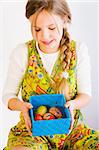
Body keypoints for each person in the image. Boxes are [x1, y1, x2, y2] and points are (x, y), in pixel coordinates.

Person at [2, 0, 99, 150]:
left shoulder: (78, 50)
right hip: (32, 132)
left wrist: (72, 105)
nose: (44, 36)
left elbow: (85, 95)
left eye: (51, 28)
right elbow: (8, 96)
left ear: (65, 20)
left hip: (72, 131)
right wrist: (22, 107)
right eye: (37, 29)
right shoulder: (22, 52)